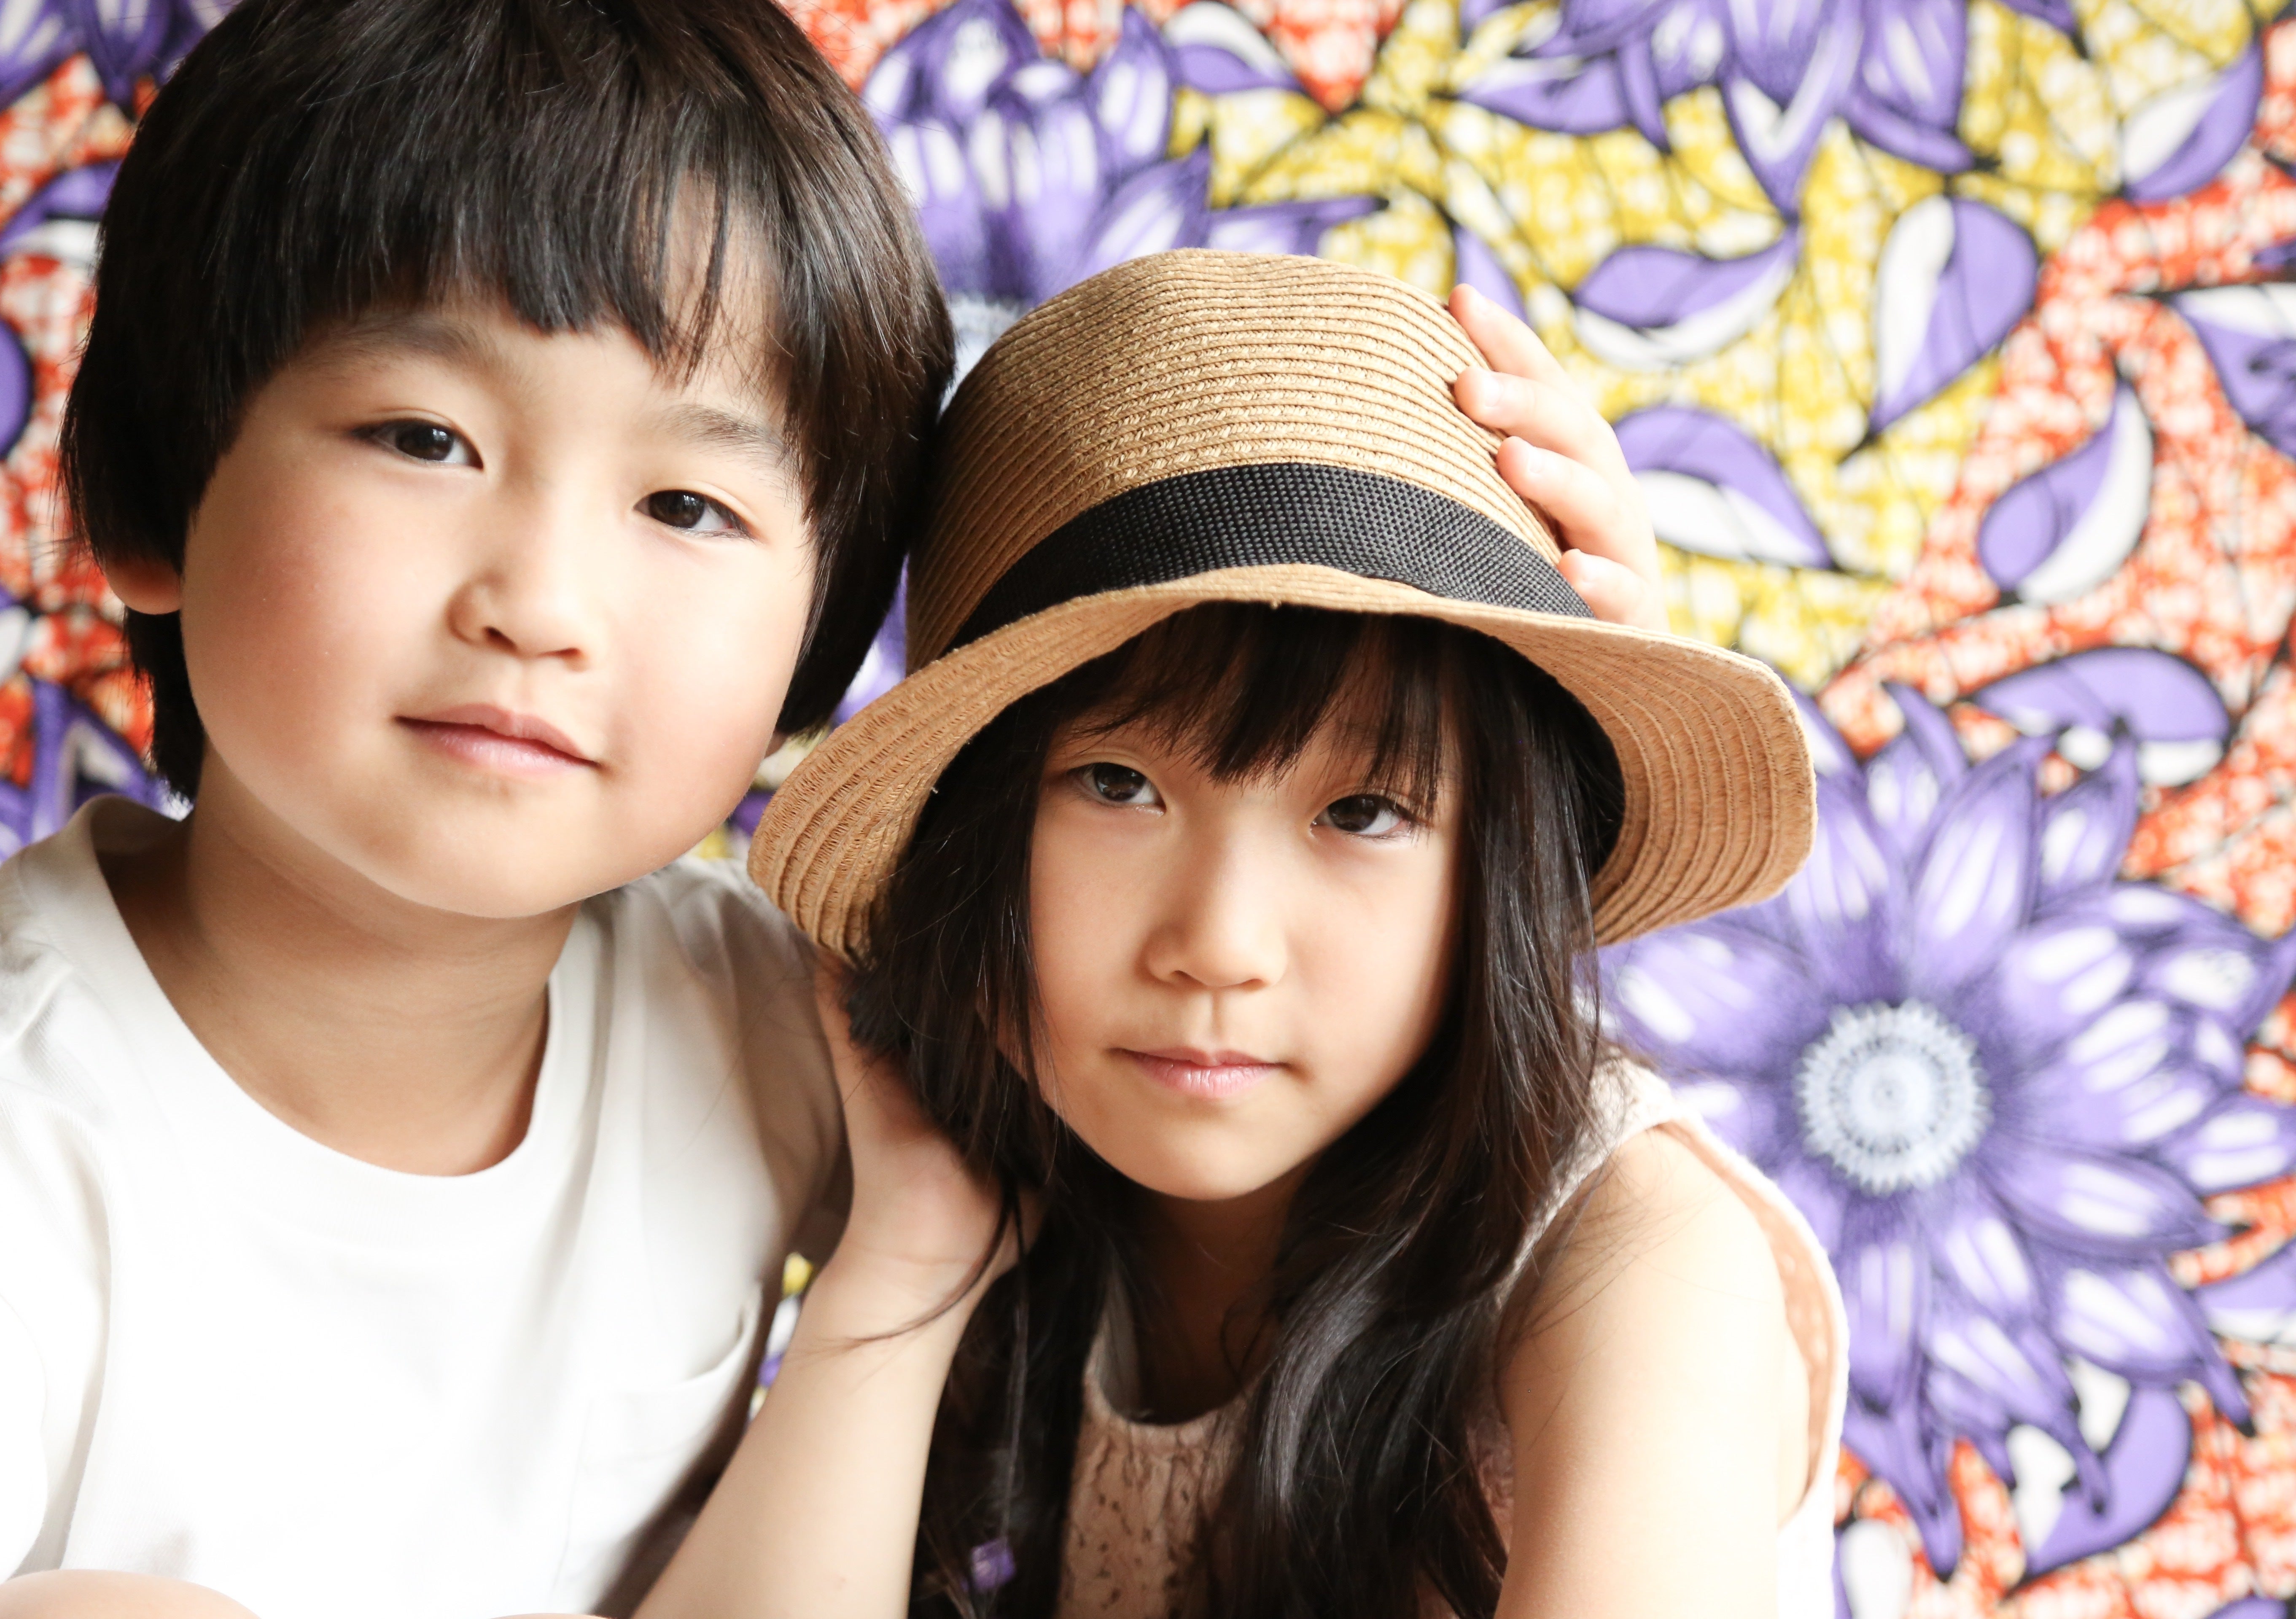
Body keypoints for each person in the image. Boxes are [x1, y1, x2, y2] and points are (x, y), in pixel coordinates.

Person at [0, 12, 1663, 1619]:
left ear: (819, 635)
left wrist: (1535, 716)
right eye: (425, 440)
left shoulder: (765, 1018)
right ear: (148, 493)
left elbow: (1318, 1102)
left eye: (686, 504)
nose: (542, 604)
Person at [711, 250, 1848, 1619]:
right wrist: (910, 1262)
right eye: (1117, 786)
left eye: (1363, 812)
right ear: (971, 829)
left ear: (1502, 868)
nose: (1220, 945)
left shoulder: (1637, 1266)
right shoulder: (1012, 1192)